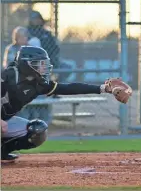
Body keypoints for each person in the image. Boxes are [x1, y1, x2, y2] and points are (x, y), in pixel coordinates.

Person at [1, 45, 132, 163]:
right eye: (39, 64)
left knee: (37, 130)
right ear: (27, 64)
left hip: (5, 121)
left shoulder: (38, 84)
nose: (43, 67)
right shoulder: (7, 77)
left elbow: (69, 88)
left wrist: (103, 88)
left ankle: (3, 152)